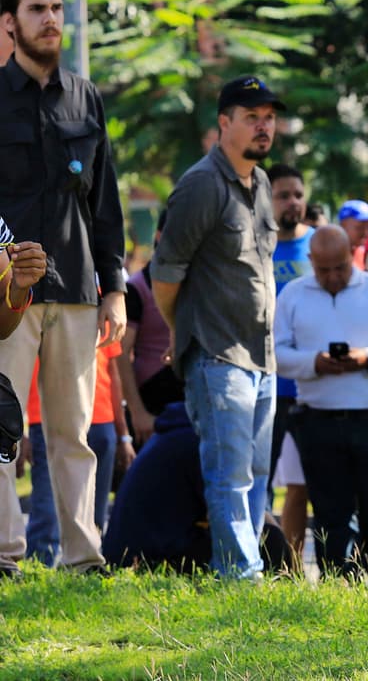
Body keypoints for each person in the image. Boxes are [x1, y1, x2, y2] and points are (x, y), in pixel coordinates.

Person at [0, 0, 127, 578]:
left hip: (77, 290)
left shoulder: (86, 97)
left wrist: (116, 289)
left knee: (74, 433)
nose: (51, 18)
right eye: (36, 9)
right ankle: (4, 556)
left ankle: (83, 558)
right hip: (5, 296)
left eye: (56, 8)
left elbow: (105, 204)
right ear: (10, 23)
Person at [151, 74, 284, 580]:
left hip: (262, 355)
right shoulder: (201, 184)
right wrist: (180, 332)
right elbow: (165, 276)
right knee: (228, 478)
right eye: (252, 117)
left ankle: (245, 572)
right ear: (223, 123)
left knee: (255, 475)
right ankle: (240, 578)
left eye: (269, 117)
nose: (263, 127)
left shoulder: (263, 182)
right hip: (217, 353)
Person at [274, 225, 368, 575]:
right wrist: (313, 362)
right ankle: (336, 584)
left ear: (351, 257)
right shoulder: (293, 295)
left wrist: (366, 358)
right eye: (323, 269)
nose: (332, 277)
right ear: (311, 261)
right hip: (317, 418)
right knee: (330, 514)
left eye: (340, 268)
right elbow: (277, 354)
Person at [102, 401, 289, 574]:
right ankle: (283, 594)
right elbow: (231, 511)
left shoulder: (177, 433)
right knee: (269, 539)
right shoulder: (202, 444)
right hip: (149, 560)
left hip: (131, 554)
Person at [23, 338, 133, 565]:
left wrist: (123, 435)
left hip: (101, 421)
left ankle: (91, 565)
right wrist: (19, 432)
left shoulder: (102, 311)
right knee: (47, 507)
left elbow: (113, 374)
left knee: (95, 511)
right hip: (46, 419)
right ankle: (40, 567)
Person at [267, 163, 314, 568]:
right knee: (262, 483)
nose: (292, 203)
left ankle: (308, 565)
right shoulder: (256, 246)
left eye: (297, 194)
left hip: (316, 389)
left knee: (310, 485)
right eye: (283, 195)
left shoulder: (320, 247)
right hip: (269, 386)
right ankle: (280, 568)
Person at [119, 210, 184, 445]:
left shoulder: (196, 280)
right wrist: (137, 413)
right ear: (159, 236)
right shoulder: (137, 287)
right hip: (152, 402)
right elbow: (121, 353)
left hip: (191, 398)